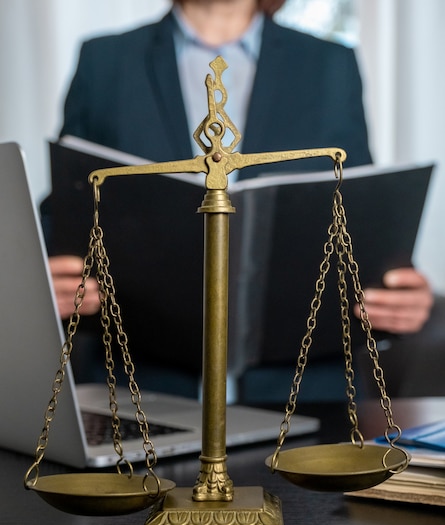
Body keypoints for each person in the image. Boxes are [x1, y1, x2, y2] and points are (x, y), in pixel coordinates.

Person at [45, 0, 435, 402]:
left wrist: (395, 288)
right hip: (140, 389)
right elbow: (67, 208)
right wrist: (46, 278)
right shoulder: (105, 61)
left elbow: (358, 213)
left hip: (306, 395)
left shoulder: (330, 65)